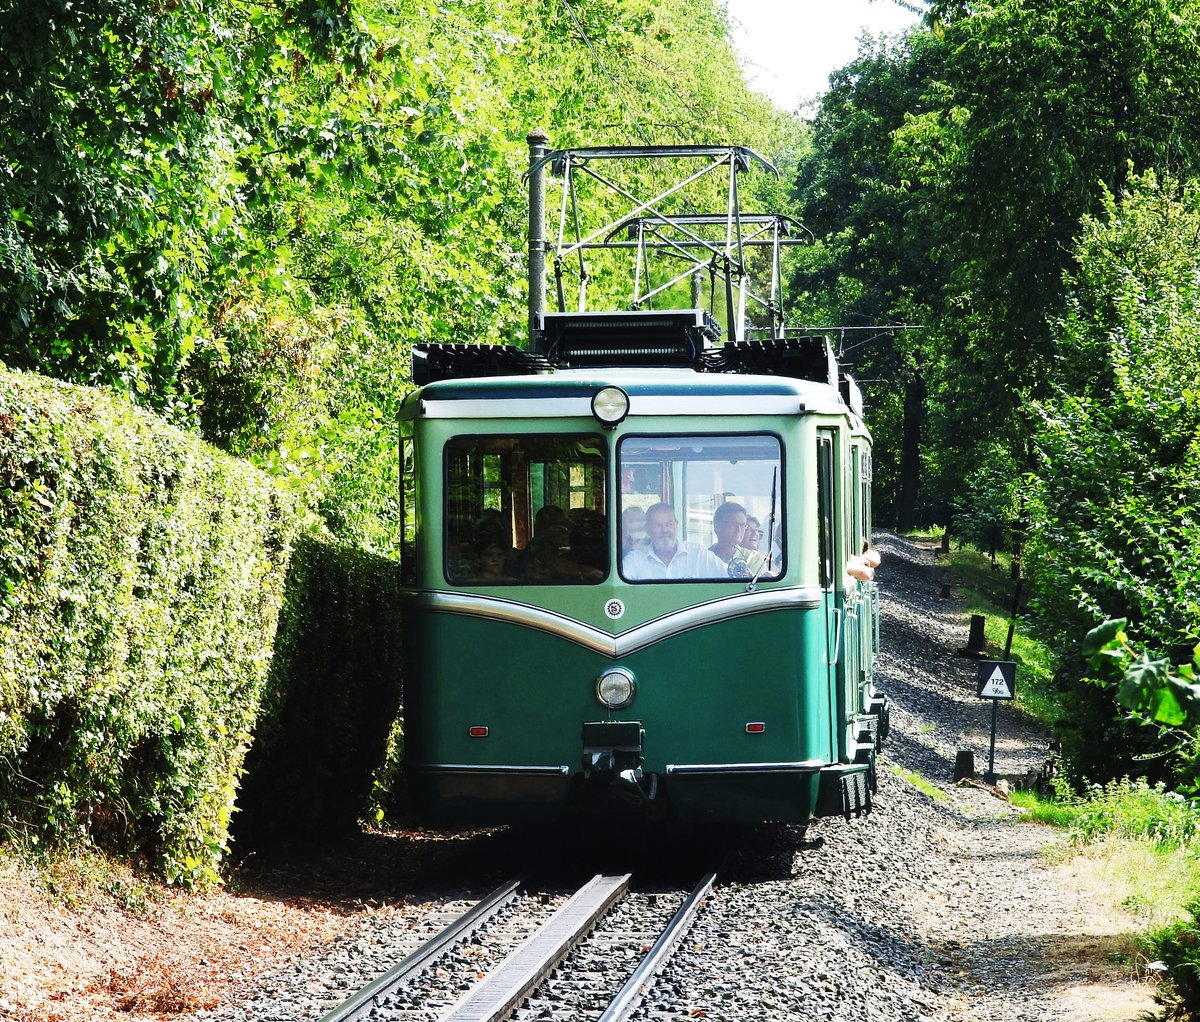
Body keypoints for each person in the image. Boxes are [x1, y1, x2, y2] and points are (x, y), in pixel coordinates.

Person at [622, 502, 727, 580]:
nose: (665, 530)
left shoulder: (699, 554)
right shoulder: (635, 559)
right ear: (648, 529)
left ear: (676, 525)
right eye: (658, 525)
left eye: (669, 524)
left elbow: (727, 581)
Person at [708, 501, 765, 576]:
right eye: (733, 525)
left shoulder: (753, 558)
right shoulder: (705, 556)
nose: (739, 530)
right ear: (717, 526)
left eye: (743, 525)